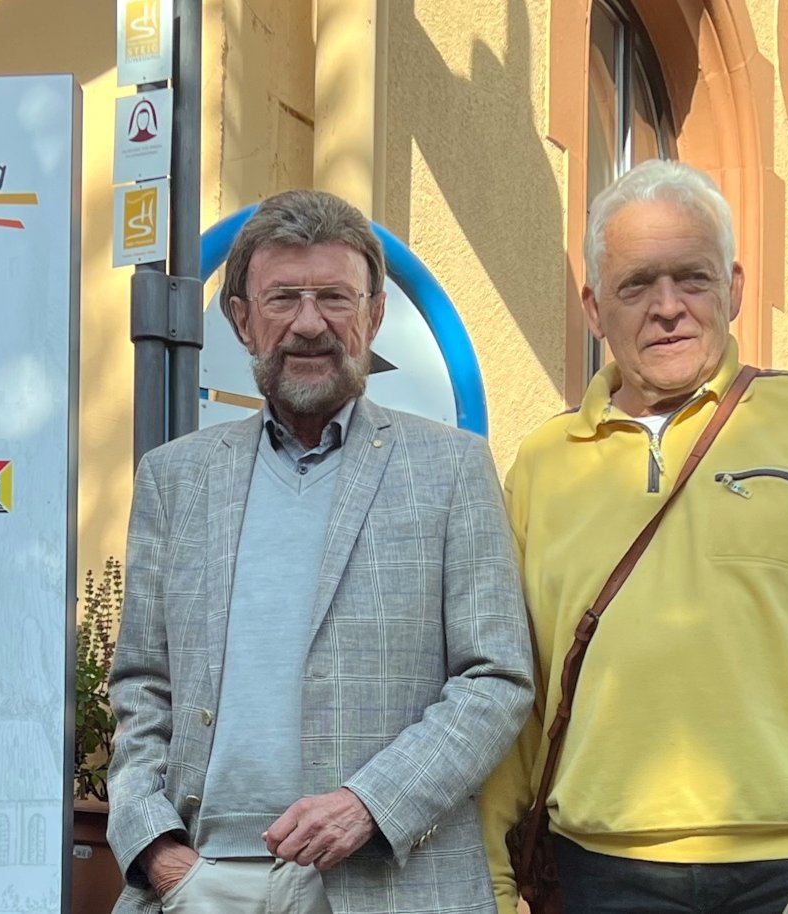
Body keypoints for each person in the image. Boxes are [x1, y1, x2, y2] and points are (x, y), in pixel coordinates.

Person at [480, 159, 788, 914]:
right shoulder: (542, 466)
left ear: (732, 289)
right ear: (595, 307)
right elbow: (516, 684)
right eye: (636, 285)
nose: (667, 307)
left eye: (691, 279)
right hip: (601, 870)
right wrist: (496, 878)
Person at [107, 188, 535, 914]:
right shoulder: (175, 477)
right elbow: (142, 685)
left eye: (335, 297)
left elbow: (496, 679)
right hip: (202, 883)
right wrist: (156, 851)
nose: (310, 324)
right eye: (283, 299)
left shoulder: (452, 468)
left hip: (388, 882)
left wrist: (367, 804)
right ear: (242, 321)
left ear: (373, 316)